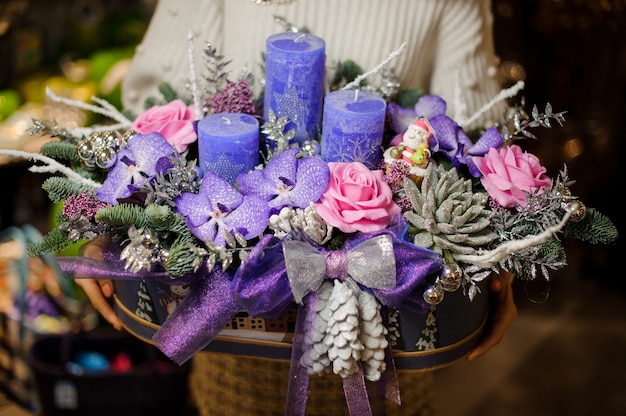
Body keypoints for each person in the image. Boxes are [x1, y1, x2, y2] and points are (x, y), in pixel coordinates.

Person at [76, 1, 518, 414]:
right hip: (230, 351)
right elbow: (150, 110)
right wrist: (112, 217)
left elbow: (474, 133)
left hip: (386, 344)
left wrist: (496, 250)